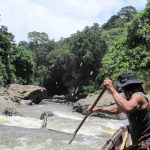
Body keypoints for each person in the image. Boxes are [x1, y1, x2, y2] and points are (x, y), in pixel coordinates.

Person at [87, 70, 150, 149]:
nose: (122, 91)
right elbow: (116, 109)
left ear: (127, 87)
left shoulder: (138, 96)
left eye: (123, 88)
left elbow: (127, 108)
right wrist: (98, 109)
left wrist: (111, 89)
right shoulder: (131, 99)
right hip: (138, 144)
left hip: (145, 145)